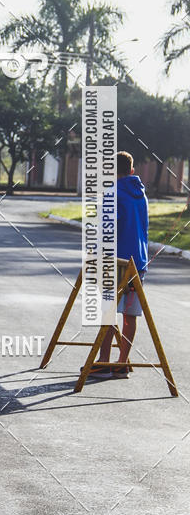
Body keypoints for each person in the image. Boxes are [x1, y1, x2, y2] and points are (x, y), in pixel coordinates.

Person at [96, 150, 149, 379]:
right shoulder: (142, 195)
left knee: (108, 313)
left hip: (116, 260)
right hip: (138, 261)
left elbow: (109, 231)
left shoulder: (112, 193)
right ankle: (122, 362)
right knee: (130, 315)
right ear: (132, 171)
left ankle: (104, 360)